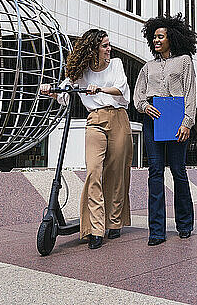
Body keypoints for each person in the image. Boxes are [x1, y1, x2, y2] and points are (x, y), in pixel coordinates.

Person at [41, 29, 132, 250]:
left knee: (116, 173)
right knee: (93, 171)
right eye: (104, 46)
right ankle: (95, 228)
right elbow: (64, 92)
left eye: (109, 45)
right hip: (95, 120)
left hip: (118, 118)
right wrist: (49, 90)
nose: (109, 49)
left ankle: (114, 221)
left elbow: (120, 89)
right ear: (93, 49)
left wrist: (99, 88)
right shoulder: (81, 72)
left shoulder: (116, 64)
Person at [133, 14, 197, 246]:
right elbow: (138, 95)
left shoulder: (184, 61)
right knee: (155, 174)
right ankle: (157, 231)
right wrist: (144, 106)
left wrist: (187, 122)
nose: (156, 40)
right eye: (154, 37)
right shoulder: (147, 66)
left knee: (179, 172)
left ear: (172, 37)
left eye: (161, 36)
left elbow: (190, 93)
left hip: (176, 118)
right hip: (153, 120)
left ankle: (184, 224)